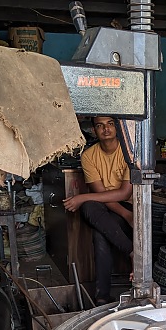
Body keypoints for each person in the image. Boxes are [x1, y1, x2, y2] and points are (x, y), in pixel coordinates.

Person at [63, 116, 133, 305]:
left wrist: (82, 196)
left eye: (110, 124)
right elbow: (101, 194)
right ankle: (132, 252)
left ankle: (102, 296)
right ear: (94, 130)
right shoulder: (88, 156)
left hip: (131, 205)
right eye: (100, 126)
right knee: (90, 206)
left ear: (117, 127)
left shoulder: (129, 152)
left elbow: (126, 193)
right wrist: (125, 215)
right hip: (108, 207)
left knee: (99, 234)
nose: (106, 129)